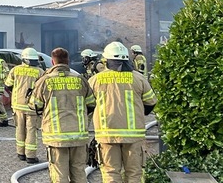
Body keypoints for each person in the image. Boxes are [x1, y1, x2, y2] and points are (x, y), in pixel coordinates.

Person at [88, 42, 157, 183]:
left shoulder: (95, 80)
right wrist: (139, 113)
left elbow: (88, 105)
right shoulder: (138, 78)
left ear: (106, 60)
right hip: (134, 136)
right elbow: (151, 102)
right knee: (134, 173)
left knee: (110, 172)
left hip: (106, 135)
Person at [29, 47, 96, 182]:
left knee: (59, 175)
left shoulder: (45, 81)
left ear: (53, 62)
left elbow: (35, 105)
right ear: (68, 62)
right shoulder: (80, 79)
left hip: (56, 138)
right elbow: (92, 104)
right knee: (79, 173)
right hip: (79, 136)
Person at [4, 47, 44, 163]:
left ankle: (20, 153)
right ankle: (30, 156)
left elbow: (8, 85)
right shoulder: (40, 72)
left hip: (17, 105)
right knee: (31, 130)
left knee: (20, 129)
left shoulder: (15, 70)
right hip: (32, 106)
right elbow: (43, 90)